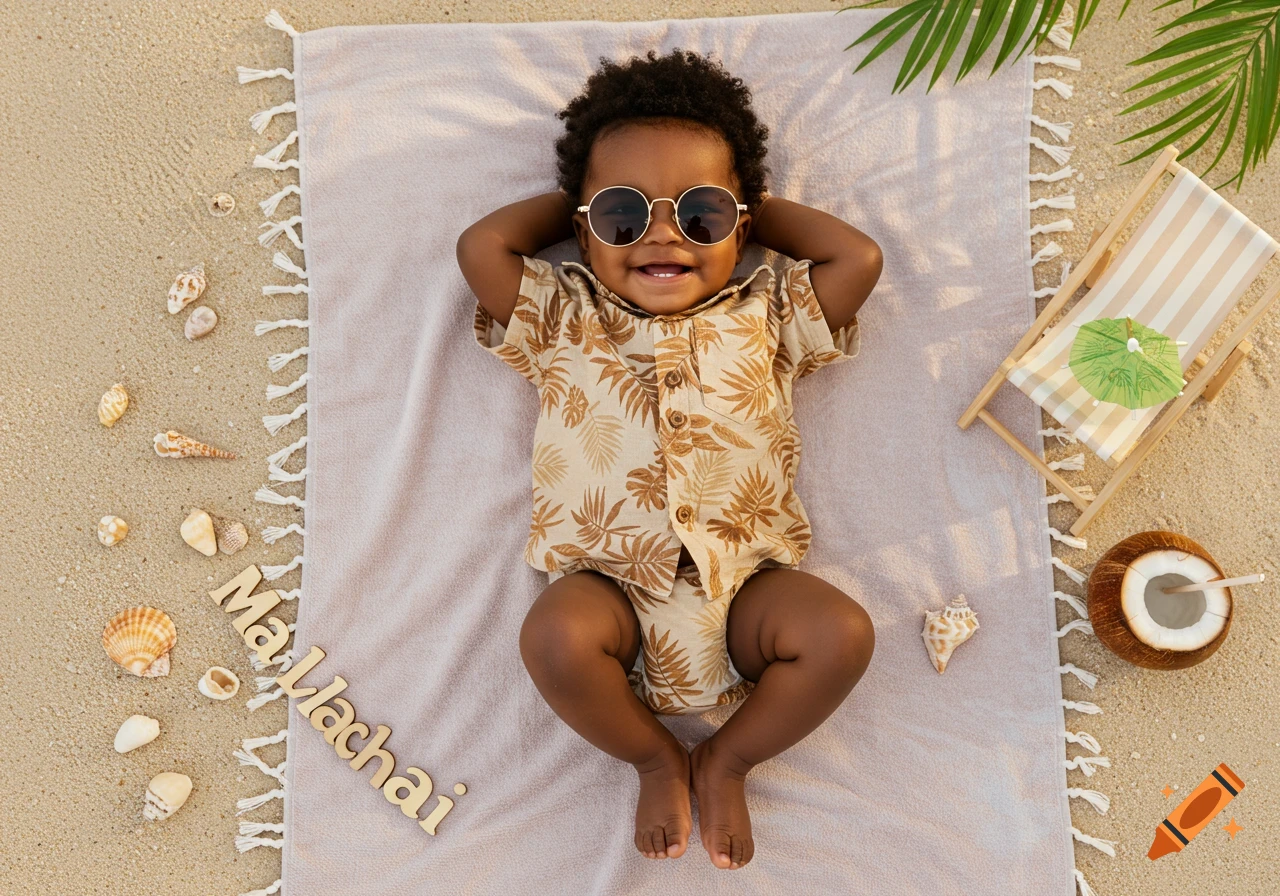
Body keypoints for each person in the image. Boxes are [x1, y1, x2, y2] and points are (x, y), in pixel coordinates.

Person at [457, 47, 881, 871]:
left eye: (700, 218)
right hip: (608, 594)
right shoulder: (562, 317)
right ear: (580, 231)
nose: (661, 234)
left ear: (743, 229)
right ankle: (654, 758)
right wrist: (582, 203)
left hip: (746, 596)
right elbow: (485, 249)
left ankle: (727, 759)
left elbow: (855, 259)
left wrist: (743, 208)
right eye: (624, 216)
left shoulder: (766, 316)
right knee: (551, 637)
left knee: (842, 633)